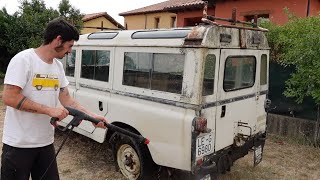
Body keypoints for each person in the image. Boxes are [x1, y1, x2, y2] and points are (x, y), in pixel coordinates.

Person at [1, 17, 107, 180]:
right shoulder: (24, 60)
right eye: (69, 45)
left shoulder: (57, 67)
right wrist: (49, 110)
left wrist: (91, 116)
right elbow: (9, 97)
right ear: (58, 40)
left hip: (45, 144)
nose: (70, 51)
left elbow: (68, 101)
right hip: (18, 145)